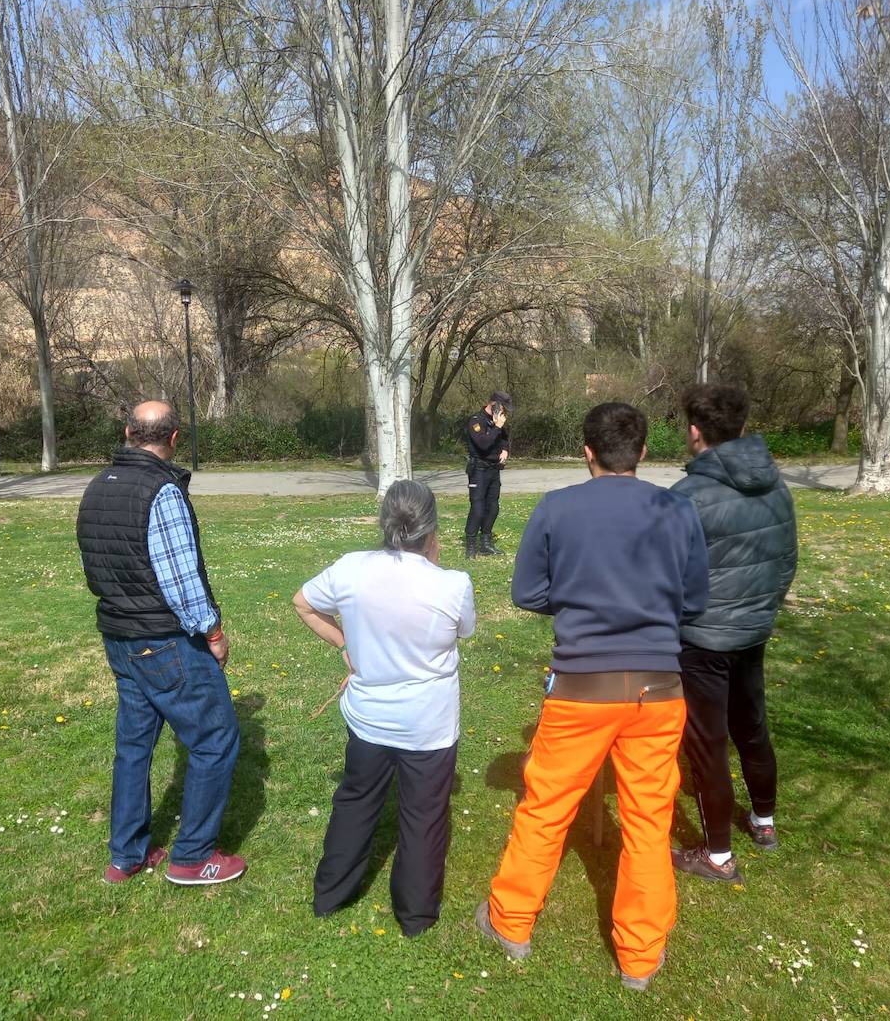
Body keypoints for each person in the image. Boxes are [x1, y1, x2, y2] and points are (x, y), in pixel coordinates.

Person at [476, 402, 710, 991]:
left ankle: (511, 922)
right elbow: (695, 602)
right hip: (658, 689)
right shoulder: (677, 509)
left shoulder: (558, 508)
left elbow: (528, 591)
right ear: (644, 453)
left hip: (581, 689)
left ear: (587, 452)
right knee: (649, 822)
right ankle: (639, 956)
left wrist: (580, 598)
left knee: (546, 805)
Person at [293, 479, 475, 937]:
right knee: (424, 814)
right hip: (427, 725)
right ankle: (415, 915)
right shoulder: (451, 584)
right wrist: (346, 643)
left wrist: (345, 643)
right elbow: (464, 632)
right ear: (432, 529)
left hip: (370, 719)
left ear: (385, 521)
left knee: (356, 800)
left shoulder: (352, 568)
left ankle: (330, 893)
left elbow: (303, 603)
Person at [75, 400, 246, 887]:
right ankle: (192, 857)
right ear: (174, 439)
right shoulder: (162, 490)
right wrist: (212, 632)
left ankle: (125, 856)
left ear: (127, 432)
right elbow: (179, 579)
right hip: (162, 641)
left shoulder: (96, 487)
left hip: (119, 638)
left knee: (133, 746)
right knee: (215, 739)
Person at [669, 384, 797, 884]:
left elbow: (666, 573)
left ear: (695, 432)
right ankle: (763, 822)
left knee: (708, 743)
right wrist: (761, 612)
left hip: (703, 639)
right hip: (751, 631)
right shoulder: (776, 485)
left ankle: (718, 854)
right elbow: (788, 559)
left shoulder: (686, 497)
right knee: (752, 724)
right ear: (740, 429)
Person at [464, 390, 512, 558]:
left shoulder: (498, 422)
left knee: (493, 507)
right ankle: (470, 546)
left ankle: (485, 543)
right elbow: (483, 444)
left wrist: (505, 450)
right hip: (479, 470)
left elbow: (504, 438)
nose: (504, 412)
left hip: (494, 469)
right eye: (503, 407)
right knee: (478, 508)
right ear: (494, 404)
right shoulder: (476, 421)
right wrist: (496, 427)